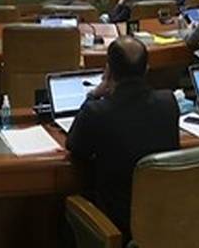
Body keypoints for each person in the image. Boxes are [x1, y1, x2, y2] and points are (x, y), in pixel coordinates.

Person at [66, 37, 179, 236]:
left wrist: (93, 95)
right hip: (163, 217)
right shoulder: (168, 101)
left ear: (108, 71)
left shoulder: (97, 112)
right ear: (146, 69)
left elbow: (75, 146)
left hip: (115, 225)